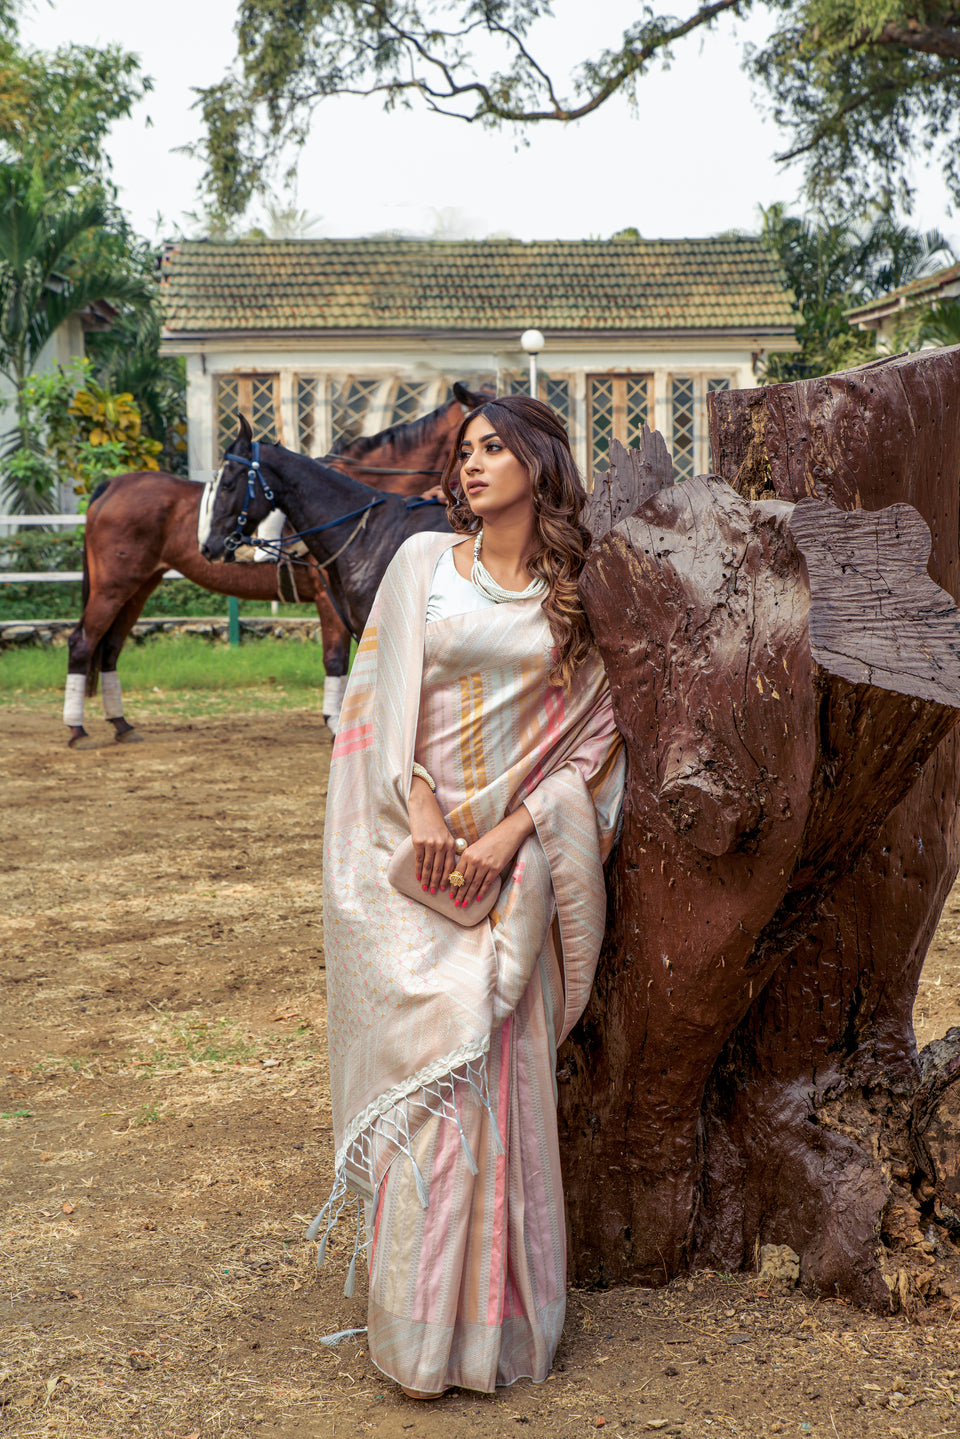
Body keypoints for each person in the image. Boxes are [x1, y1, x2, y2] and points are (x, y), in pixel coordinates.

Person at [311, 395, 625, 1398]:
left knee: (500, 1087)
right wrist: (426, 815)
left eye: (495, 448)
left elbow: (596, 733)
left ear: (540, 463)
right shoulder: (417, 568)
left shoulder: (574, 595)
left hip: (512, 873)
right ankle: (415, 1337)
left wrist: (506, 836)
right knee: (432, 1084)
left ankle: (493, 1332)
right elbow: (374, 702)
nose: (474, 465)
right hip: (414, 855)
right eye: (467, 451)